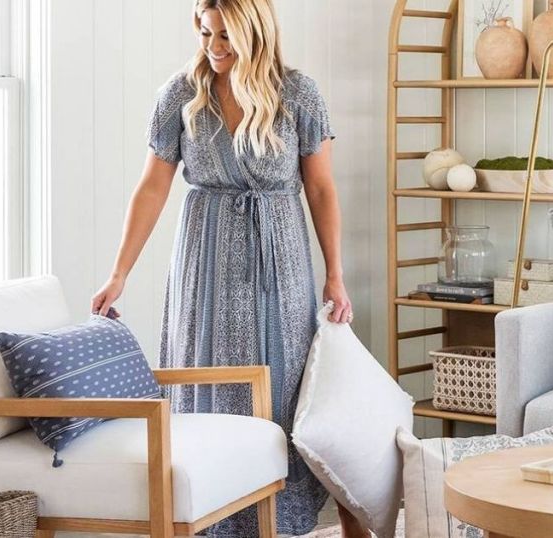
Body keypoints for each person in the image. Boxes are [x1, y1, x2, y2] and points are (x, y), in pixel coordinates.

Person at [91, 0, 366, 536]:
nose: (214, 48)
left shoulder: (298, 94)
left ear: (257, 32)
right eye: (205, 33)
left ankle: (278, 519)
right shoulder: (181, 94)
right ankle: (209, 517)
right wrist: (119, 271)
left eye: (226, 36)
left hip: (280, 260)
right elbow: (152, 187)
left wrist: (335, 274)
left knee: (284, 387)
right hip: (204, 261)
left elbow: (321, 187)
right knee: (204, 381)